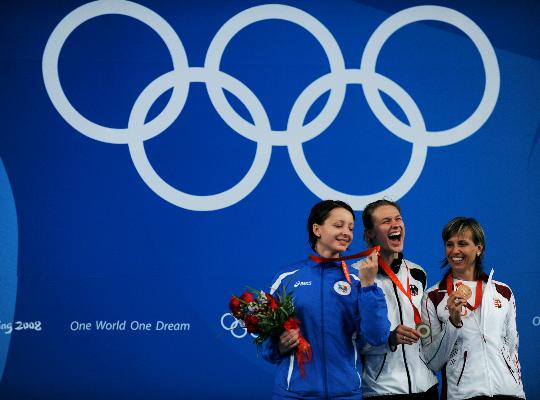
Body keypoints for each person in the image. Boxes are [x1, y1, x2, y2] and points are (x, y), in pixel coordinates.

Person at [261, 199, 390, 400]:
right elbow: (264, 343)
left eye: (351, 228)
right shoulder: (287, 279)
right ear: (317, 229)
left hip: (346, 394)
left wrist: (368, 286)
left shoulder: (359, 281)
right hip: (294, 394)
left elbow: (377, 337)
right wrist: (279, 346)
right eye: (338, 225)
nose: (346, 232)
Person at [422, 217, 525, 400]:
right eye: (449, 244)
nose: (455, 251)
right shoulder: (434, 297)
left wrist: (519, 392)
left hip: (508, 393)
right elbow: (432, 361)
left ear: (479, 248)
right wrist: (453, 323)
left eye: (462, 243)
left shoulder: (503, 292)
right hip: (463, 395)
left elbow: (512, 350)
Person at [355, 199, 438, 398]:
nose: (395, 225)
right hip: (383, 390)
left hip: (426, 388)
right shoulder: (355, 276)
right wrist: (389, 338)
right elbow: (351, 340)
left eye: (398, 219)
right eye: (385, 221)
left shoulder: (417, 273)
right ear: (370, 234)